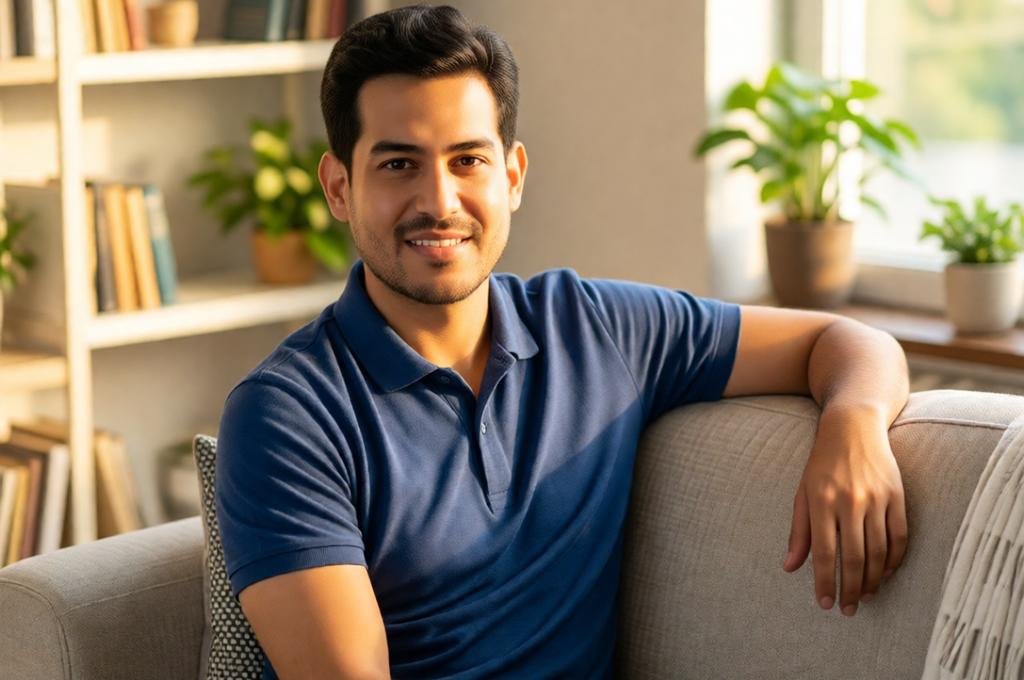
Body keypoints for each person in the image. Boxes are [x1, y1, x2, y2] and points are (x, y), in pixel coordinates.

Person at [215, 5, 910, 679]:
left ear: (512, 176)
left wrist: (855, 424)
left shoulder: (599, 329)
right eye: (399, 165)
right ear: (339, 188)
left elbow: (847, 341)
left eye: (467, 161)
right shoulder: (288, 416)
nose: (439, 200)